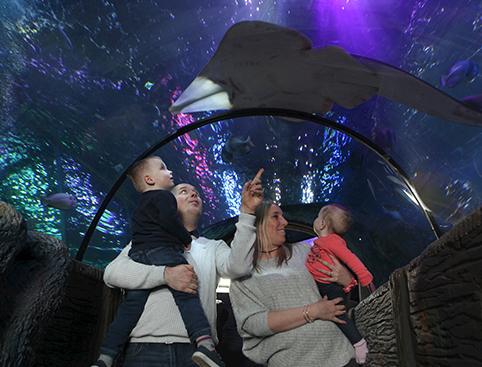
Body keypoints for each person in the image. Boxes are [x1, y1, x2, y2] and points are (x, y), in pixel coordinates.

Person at [100, 170, 264, 367]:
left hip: (198, 353)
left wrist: (246, 213)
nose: (193, 194)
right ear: (166, 203)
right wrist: (165, 275)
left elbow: (239, 267)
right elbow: (111, 273)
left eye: (196, 193)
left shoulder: (212, 247)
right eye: (184, 191)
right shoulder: (144, 241)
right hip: (144, 347)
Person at [93, 156, 224, 367]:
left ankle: (105, 357)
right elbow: (168, 221)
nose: (169, 171)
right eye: (163, 168)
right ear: (150, 179)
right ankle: (205, 345)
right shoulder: (163, 198)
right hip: (163, 250)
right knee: (188, 294)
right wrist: (184, 239)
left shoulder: (142, 206)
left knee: (130, 308)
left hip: (140, 254)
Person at [229, 200, 358, 367]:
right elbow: (253, 324)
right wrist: (312, 311)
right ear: (257, 225)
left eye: (282, 216)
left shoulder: (305, 252)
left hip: (342, 357)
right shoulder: (242, 277)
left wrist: (346, 280)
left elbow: (337, 295)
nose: (284, 222)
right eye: (276, 216)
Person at [306, 204, 375, 365]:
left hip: (333, 287)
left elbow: (351, 259)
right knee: (332, 313)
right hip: (324, 286)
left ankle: (359, 343)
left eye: (317, 216)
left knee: (338, 314)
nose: (314, 220)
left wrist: (365, 278)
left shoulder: (333, 242)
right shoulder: (321, 242)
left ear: (322, 223)